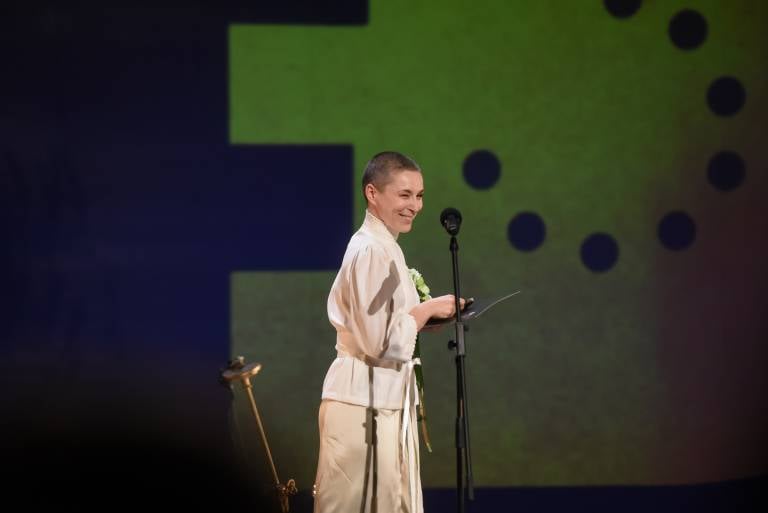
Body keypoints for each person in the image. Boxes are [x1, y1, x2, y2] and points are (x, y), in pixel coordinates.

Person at [313, 151, 464, 513]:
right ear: (372, 193)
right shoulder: (370, 250)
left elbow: (383, 325)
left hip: (384, 400)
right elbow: (377, 341)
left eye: (420, 195)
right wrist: (424, 311)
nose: (415, 205)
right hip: (363, 402)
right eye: (404, 194)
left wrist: (422, 320)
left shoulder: (385, 247)